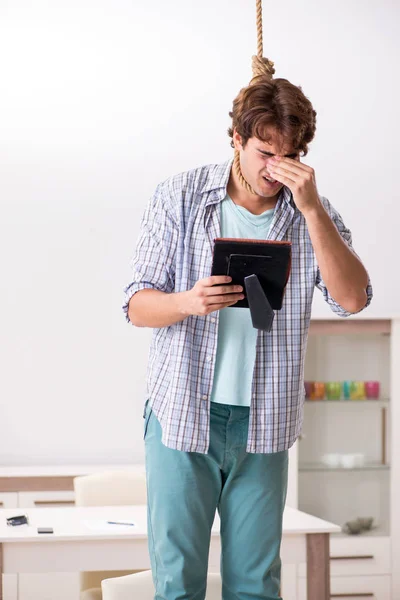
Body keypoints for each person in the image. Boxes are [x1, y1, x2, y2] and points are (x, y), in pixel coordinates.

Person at [123, 64, 372, 600]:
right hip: (183, 412)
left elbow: (352, 299)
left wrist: (310, 210)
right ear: (235, 139)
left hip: (266, 424)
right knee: (177, 583)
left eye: (291, 156)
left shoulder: (313, 213)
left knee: (256, 586)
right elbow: (136, 305)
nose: (275, 168)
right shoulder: (180, 196)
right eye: (264, 152)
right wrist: (189, 302)